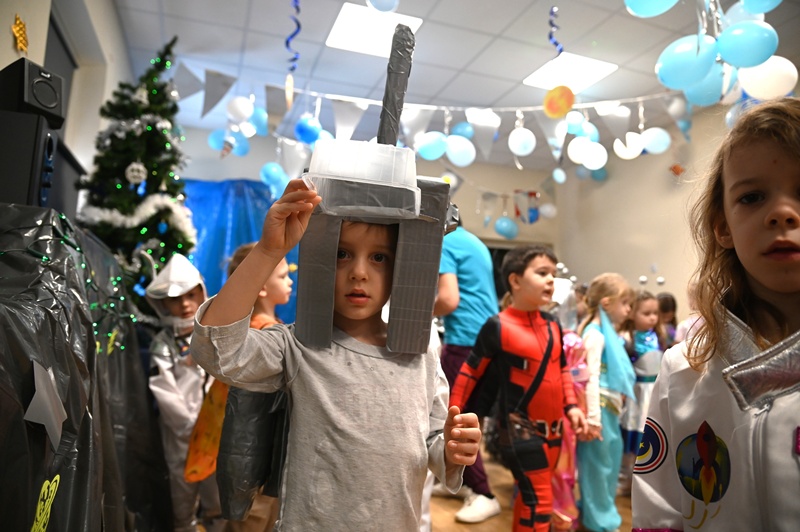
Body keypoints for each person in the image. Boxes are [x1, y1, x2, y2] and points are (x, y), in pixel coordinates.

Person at [191, 141, 482, 530]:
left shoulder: (423, 347)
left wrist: (451, 449)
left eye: (379, 257)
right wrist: (268, 252)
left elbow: (428, 440)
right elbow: (216, 349)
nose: (359, 272)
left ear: (401, 267)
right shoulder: (298, 346)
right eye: (343, 254)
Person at [631, 97, 800, 530]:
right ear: (723, 226)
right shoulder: (682, 369)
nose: (782, 213)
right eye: (752, 197)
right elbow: (657, 510)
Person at [449, 245, 588, 531]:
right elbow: (470, 372)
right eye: (542, 273)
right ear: (515, 280)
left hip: (555, 430)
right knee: (540, 502)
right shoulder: (498, 326)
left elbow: (562, 369)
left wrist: (572, 407)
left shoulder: (553, 324)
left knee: (529, 499)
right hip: (519, 428)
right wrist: (454, 414)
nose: (550, 280)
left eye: (552, 274)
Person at [146, 253, 224, 532]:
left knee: (216, 491)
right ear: (162, 303)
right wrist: (188, 424)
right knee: (182, 491)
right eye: (176, 299)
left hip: (214, 428)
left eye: (191, 296)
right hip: (180, 430)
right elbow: (163, 388)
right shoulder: (163, 343)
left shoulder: (213, 333)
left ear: (202, 293)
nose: (185, 305)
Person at [218, 242, 293, 532]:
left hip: (261, 451)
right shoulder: (262, 332)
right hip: (256, 452)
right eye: (283, 276)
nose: (290, 281)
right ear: (261, 287)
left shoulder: (268, 326)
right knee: (253, 519)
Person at [433, 220, 502, 524]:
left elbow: (449, 299)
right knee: (470, 414)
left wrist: (407, 312)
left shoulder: (445, 242)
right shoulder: (473, 241)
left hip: (465, 342)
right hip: (486, 339)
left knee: (455, 415)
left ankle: (483, 492)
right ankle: (460, 480)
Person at [576, 272, 635, 532]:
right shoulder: (595, 335)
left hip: (607, 409)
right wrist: (593, 419)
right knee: (598, 469)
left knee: (607, 467)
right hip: (598, 410)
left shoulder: (604, 334)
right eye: (625, 304)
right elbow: (589, 378)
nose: (629, 310)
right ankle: (599, 522)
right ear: (607, 303)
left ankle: (599, 516)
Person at [617, 290, 664, 497]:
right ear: (632, 313)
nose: (652, 318)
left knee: (650, 435)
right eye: (646, 313)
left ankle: (646, 483)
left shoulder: (659, 336)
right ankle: (626, 480)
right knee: (632, 435)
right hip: (636, 394)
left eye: (655, 313)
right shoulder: (626, 339)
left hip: (654, 391)